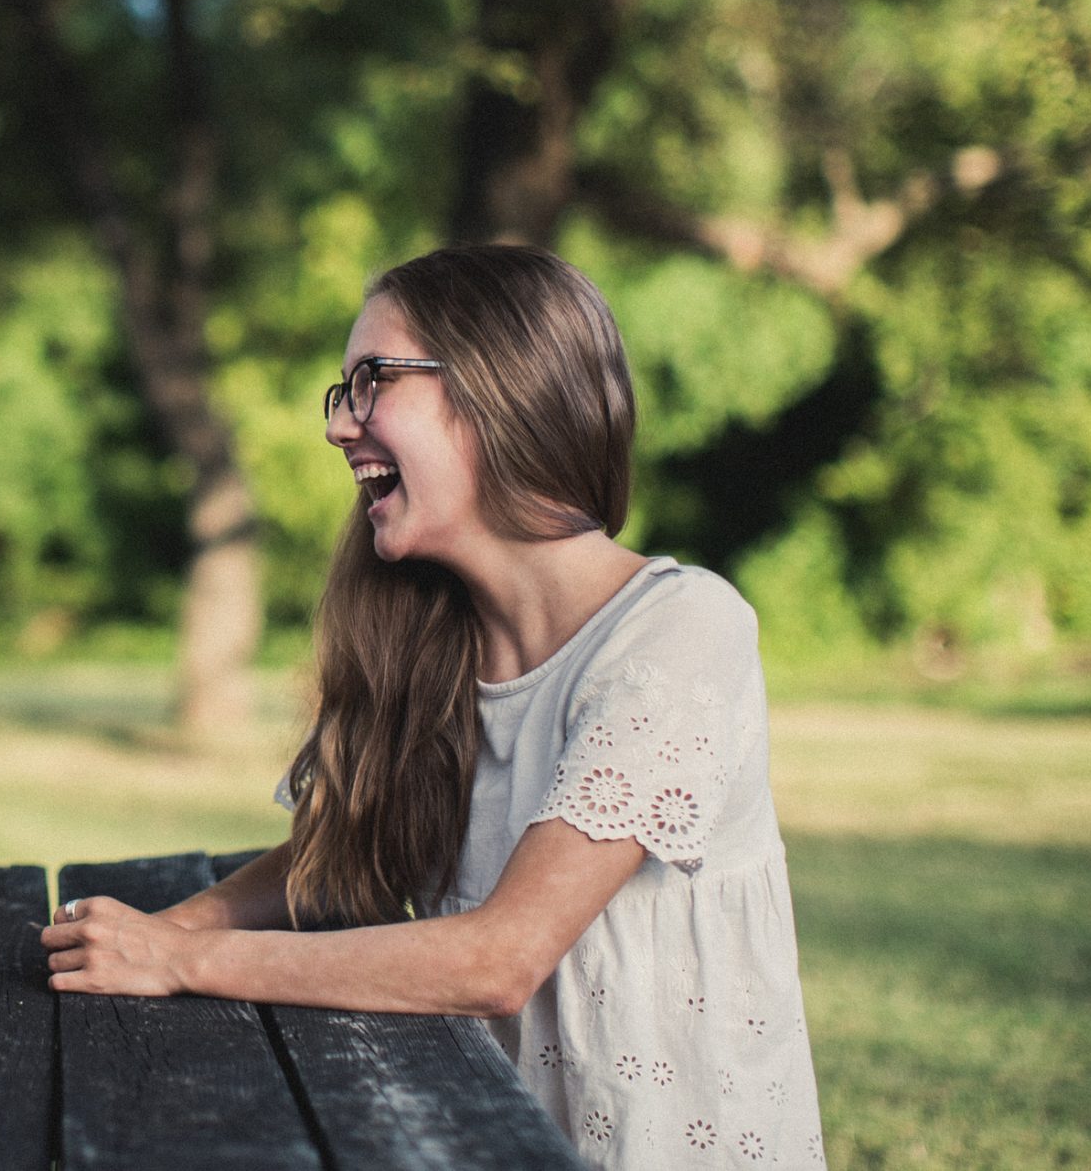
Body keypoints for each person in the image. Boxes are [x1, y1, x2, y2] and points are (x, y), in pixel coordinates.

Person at [41, 244, 823, 1168]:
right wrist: (163, 928)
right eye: (342, 391)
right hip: (469, 1136)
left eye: (373, 379)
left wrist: (179, 962)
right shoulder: (427, 637)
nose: (340, 426)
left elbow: (500, 959)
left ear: (506, 386)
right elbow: (339, 858)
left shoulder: (682, 631)